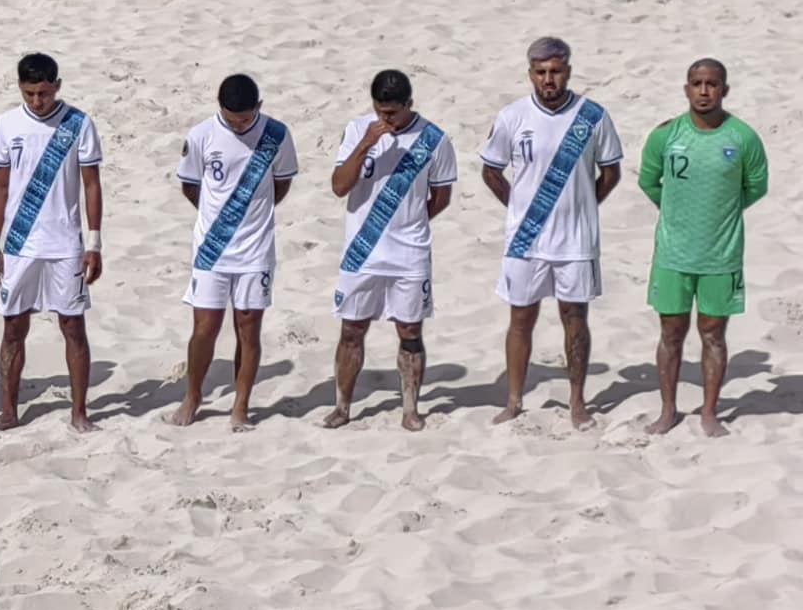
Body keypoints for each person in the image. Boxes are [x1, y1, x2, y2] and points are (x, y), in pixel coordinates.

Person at [481, 36, 622, 430]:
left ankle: (578, 403)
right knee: (520, 318)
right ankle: (513, 400)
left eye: (556, 71)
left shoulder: (593, 116)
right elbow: (491, 170)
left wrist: (585, 207)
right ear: (530, 74)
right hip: (525, 240)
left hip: (576, 240)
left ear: (568, 72)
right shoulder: (511, 117)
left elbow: (610, 172)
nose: (549, 79)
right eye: (541, 72)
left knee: (574, 317)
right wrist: (517, 208)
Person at [638, 59, 770, 438]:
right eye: (697, 83)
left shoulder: (742, 137)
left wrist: (723, 212)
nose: (704, 90)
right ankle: (668, 410)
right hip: (673, 254)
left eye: (712, 84)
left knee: (713, 334)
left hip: (721, 254)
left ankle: (709, 412)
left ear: (724, 90)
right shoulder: (666, 135)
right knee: (671, 333)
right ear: (686, 89)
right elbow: (649, 180)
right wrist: (676, 211)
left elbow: (756, 186)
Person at [324, 69, 456, 432]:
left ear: (409, 105)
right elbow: (339, 186)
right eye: (381, 111)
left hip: (409, 251)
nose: (386, 119)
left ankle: (410, 409)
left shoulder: (434, 140)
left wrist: (409, 223)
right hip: (361, 250)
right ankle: (342, 406)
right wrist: (366, 143)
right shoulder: (357, 130)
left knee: (410, 331)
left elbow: (440, 197)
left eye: (393, 113)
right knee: (352, 329)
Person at [174, 73, 299, 431]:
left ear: (258, 108)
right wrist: (217, 219)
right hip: (212, 247)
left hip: (255, 248)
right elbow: (190, 184)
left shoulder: (277, 134)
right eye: (231, 119)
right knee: (204, 328)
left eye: (245, 119)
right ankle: (193, 395)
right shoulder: (202, 135)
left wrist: (252, 214)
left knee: (248, 328)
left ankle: (241, 406)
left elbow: (282, 182)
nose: (238, 125)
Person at [0, 52, 102, 432]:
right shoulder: (6, 124)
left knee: (72, 325)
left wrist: (94, 242)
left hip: (65, 243)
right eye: (30, 93)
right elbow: (0, 184)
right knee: (13, 327)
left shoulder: (79, 123)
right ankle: (8, 411)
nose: (38, 101)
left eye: (44, 93)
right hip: (19, 244)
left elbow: (91, 183)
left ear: (57, 86)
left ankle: (79, 412)